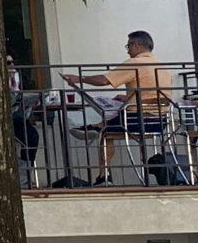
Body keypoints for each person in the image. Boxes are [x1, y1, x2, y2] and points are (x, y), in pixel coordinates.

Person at [69, 31, 181, 182]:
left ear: (136, 45)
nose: (128, 51)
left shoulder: (135, 63)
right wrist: (128, 98)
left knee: (106, 133)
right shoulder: (161, 67)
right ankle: (96, 127)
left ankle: (104, 175)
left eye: (128, 46)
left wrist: (80, 78)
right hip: (160, 121)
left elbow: (104, 80)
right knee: (116, 116)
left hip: (138, 120)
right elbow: (151, 94)